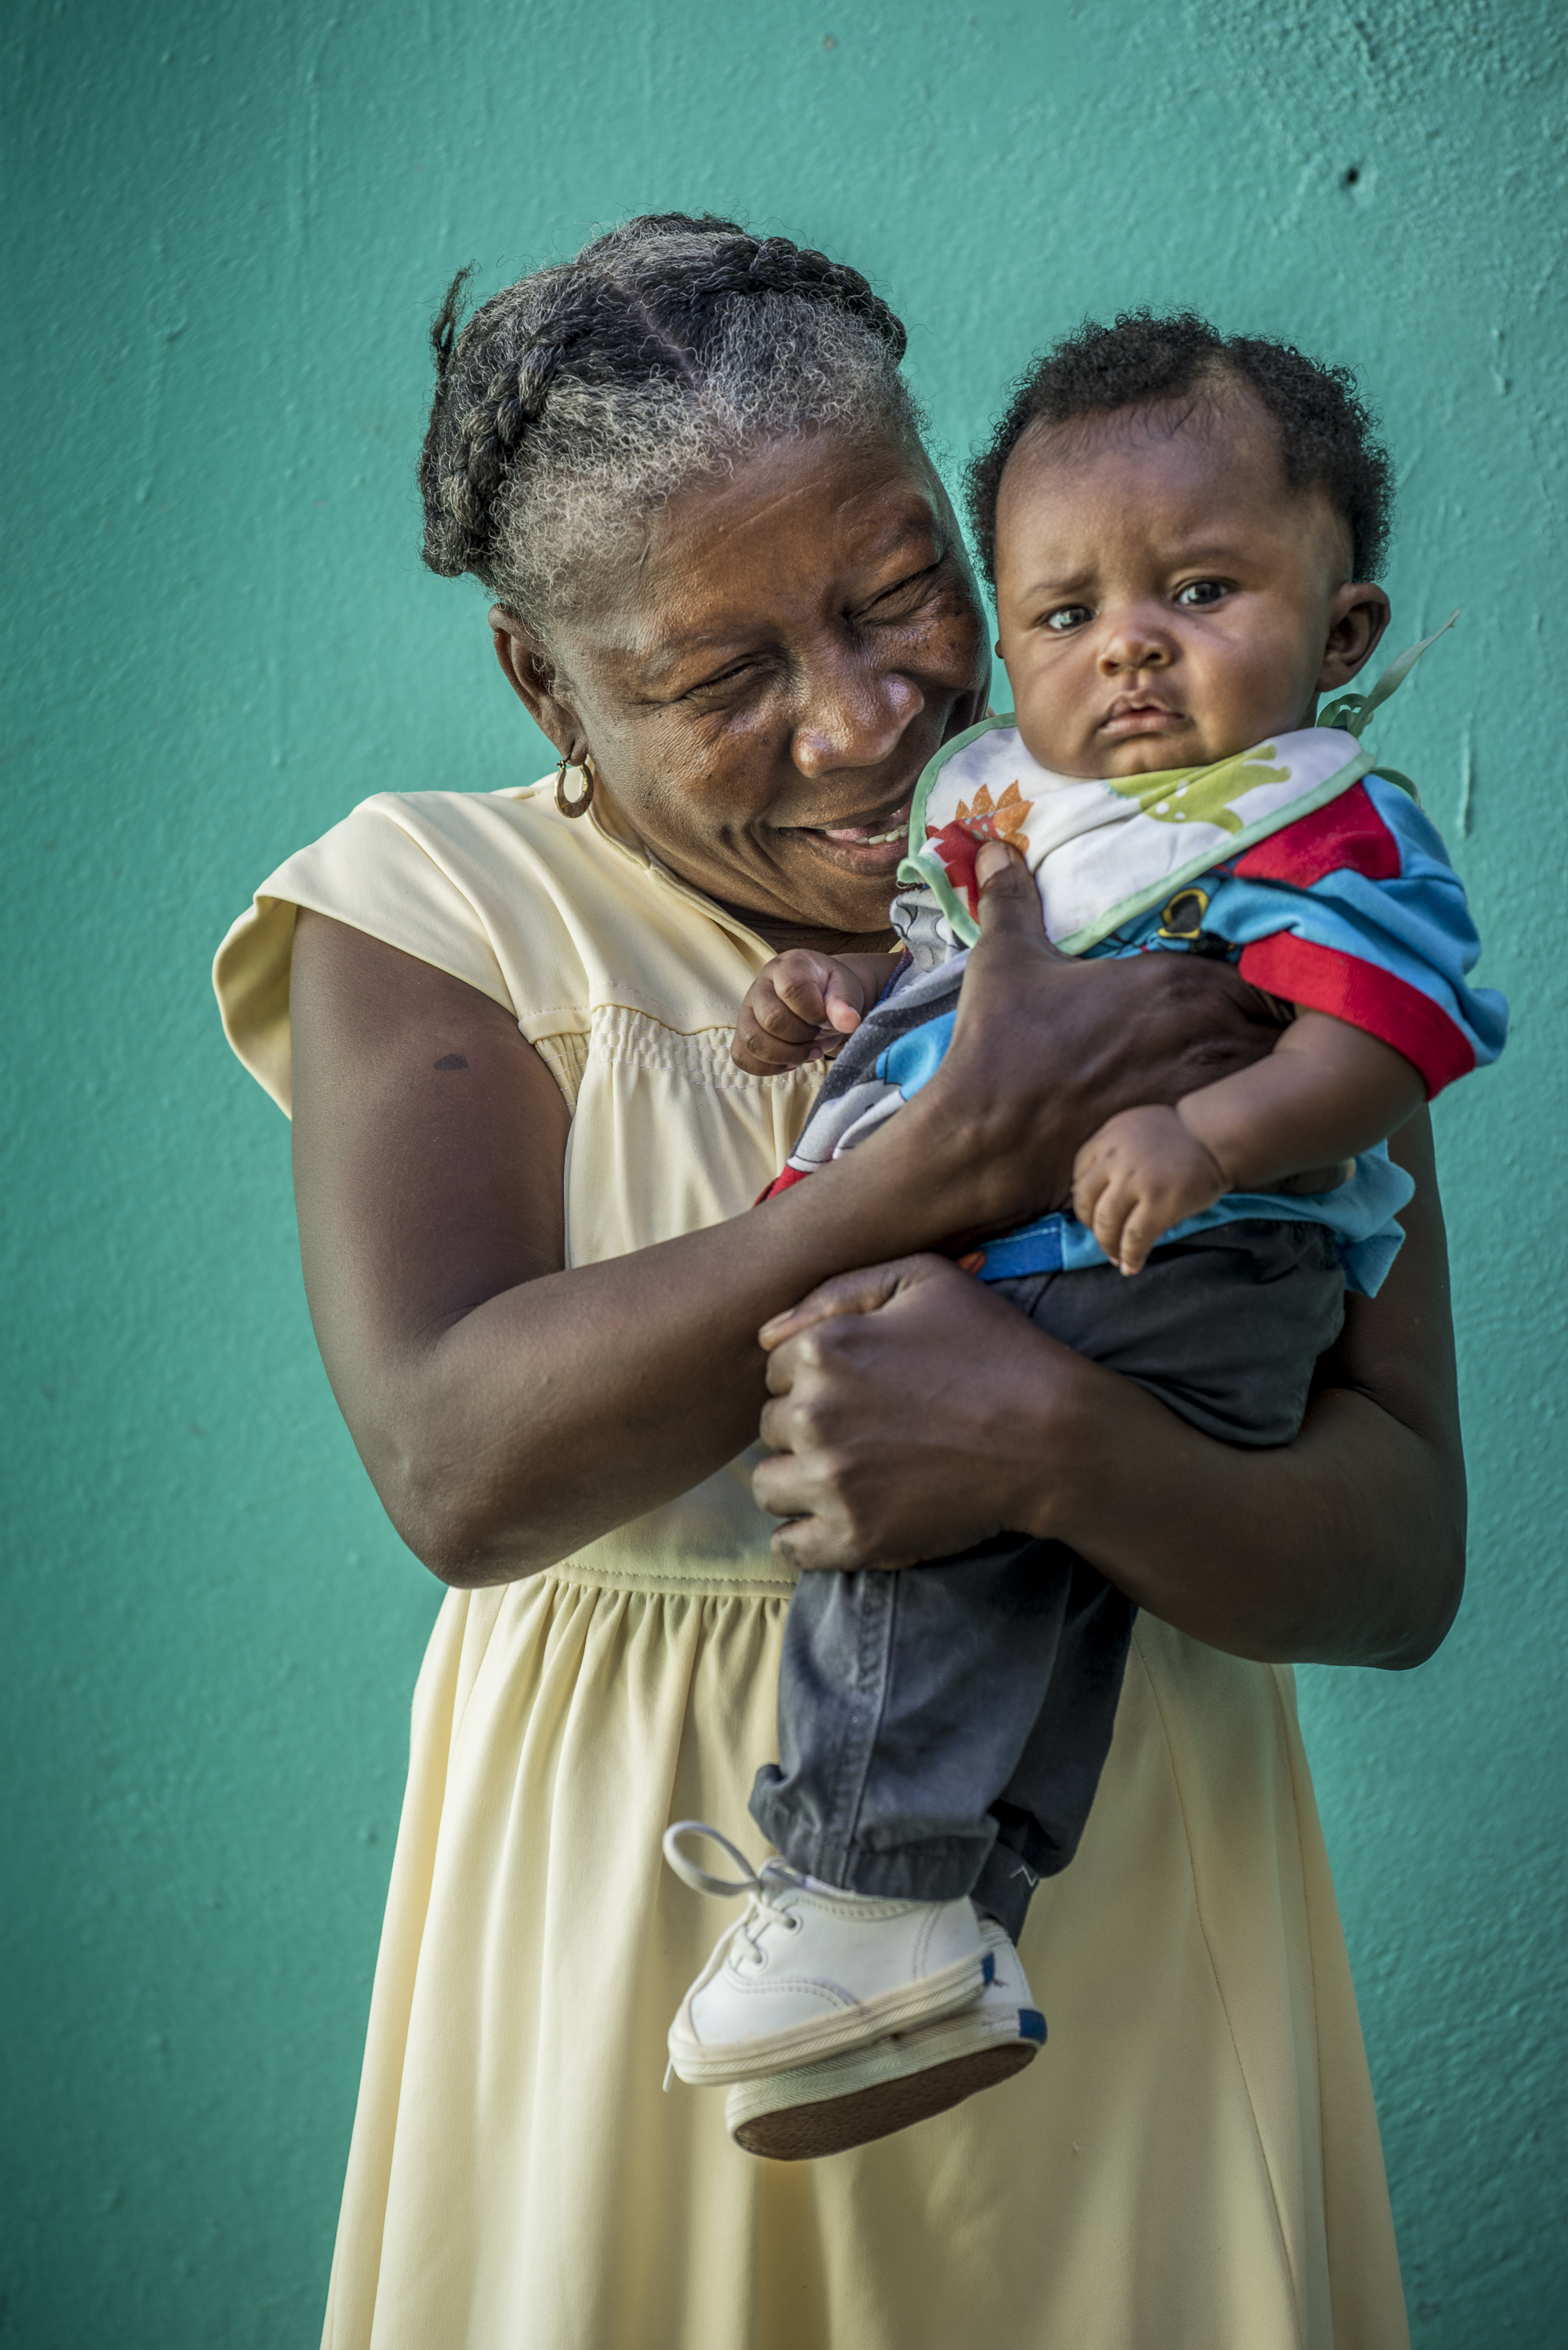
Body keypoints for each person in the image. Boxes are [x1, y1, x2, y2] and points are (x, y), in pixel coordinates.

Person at [212, 215, 1454, 2349]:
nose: (869, 720)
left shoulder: (1195, 871)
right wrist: (947, 1163)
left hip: (1120, 1919)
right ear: (545, 680)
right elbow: (457, 1467)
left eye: (904, 600)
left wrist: (1061, 1445)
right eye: (725, 676)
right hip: (633, 1959)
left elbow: (1400, 1559)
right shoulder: (428, 913)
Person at [666, 316, 1505, 2160]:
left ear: (1335, 632)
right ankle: (959, 1922)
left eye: (1197, 590)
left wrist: (1205, 1130)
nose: (1125, 642)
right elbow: (953, 976)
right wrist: (832, 991)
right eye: (1062, 615)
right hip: (1093, 1266)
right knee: (1042, 1584)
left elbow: (1385, 1035)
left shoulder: (1315, 820)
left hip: (1190, 1264)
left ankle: (856, 1893)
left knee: (919, 1515)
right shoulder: (1019, 808)